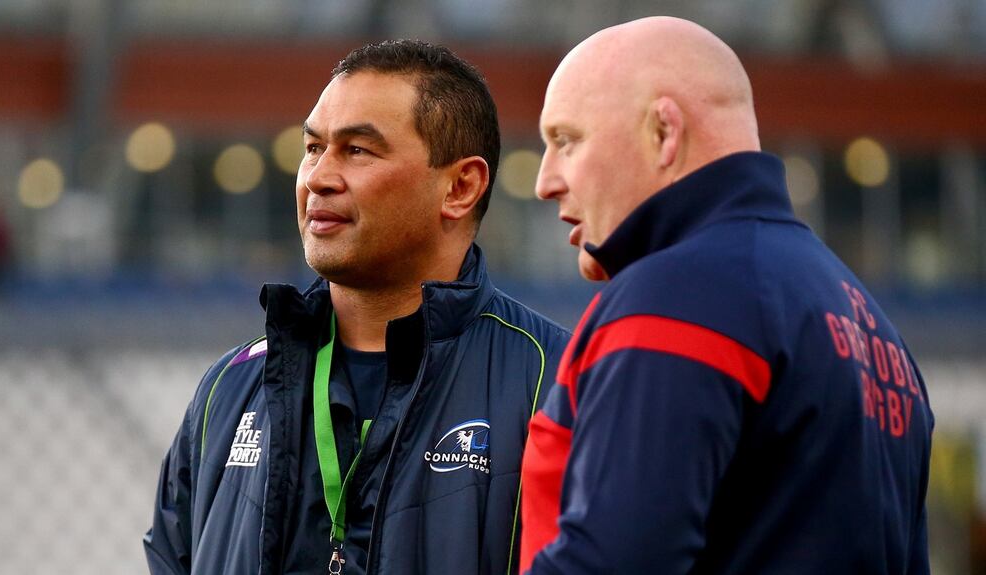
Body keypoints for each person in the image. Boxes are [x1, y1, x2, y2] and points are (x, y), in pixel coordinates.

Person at [519, 16, 933, 574]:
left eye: (566, 141)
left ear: (664, 132)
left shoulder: (674, 296)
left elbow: (613, 562)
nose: (545, 180)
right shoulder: (875, 329)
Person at [144, 39, 569, 575]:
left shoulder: (556, 384)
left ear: (460, 187)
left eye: (357, 150)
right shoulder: (228, 391)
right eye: (313, 148)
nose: (317, 178)